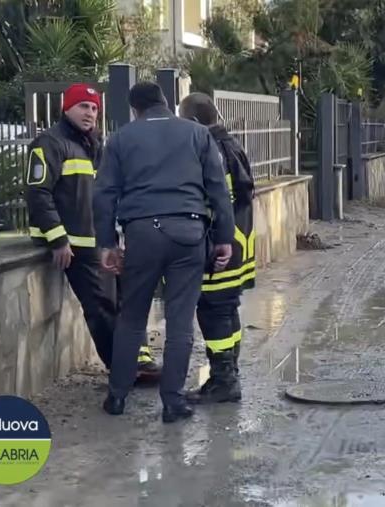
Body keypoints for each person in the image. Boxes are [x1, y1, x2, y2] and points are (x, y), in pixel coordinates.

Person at [93, 82, 235, 423]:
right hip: (188, 232)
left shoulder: (121, 139)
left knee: (131, 317)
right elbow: (217, 188)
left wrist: (106, 244)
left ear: (134, 109)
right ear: (166, 103)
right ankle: (173, 403)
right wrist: (224, 237)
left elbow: (103, 195)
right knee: (180, 322)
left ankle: (117, 396)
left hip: (141, 233)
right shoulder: (197, 135)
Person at [24, 83, 160, 377]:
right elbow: (38, 194)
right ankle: (123, 368)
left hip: (99, 241)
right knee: (101, 307)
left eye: (94, 108)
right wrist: (58, 238)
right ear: (67, 108)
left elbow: (109, 194)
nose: (90, 113)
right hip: (72, 244)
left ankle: (140, 358)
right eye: (83, 106)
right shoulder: (48, 143)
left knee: (128, 296)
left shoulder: (94, 145)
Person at [177, 92, 256, 404]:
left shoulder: (209, 149)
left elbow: (214, 199)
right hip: (240, 241)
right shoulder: (232, 144)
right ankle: (229, 373)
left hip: (219, 246)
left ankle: (224, 380)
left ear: (194, 122)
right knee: (227, 308)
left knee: (213, 310)